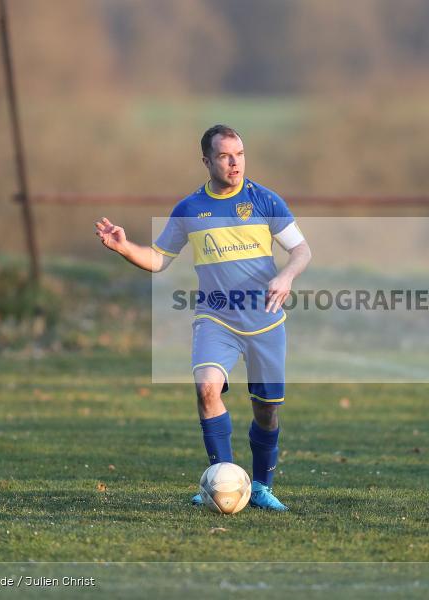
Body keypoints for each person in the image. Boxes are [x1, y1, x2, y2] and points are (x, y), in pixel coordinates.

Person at [95, 124, 311, 510]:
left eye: (240, 154)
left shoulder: (265, 200)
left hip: (265, 319)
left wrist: (286, 275)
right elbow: (159, 259)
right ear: (207, 161)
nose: (235, 163)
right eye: (226, 156)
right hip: (216, 319)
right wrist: (125, 247)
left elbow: (302, 251)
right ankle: (221, 481)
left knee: (266, 409)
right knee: (206, 389)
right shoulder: (190, 209)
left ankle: (261, 486)